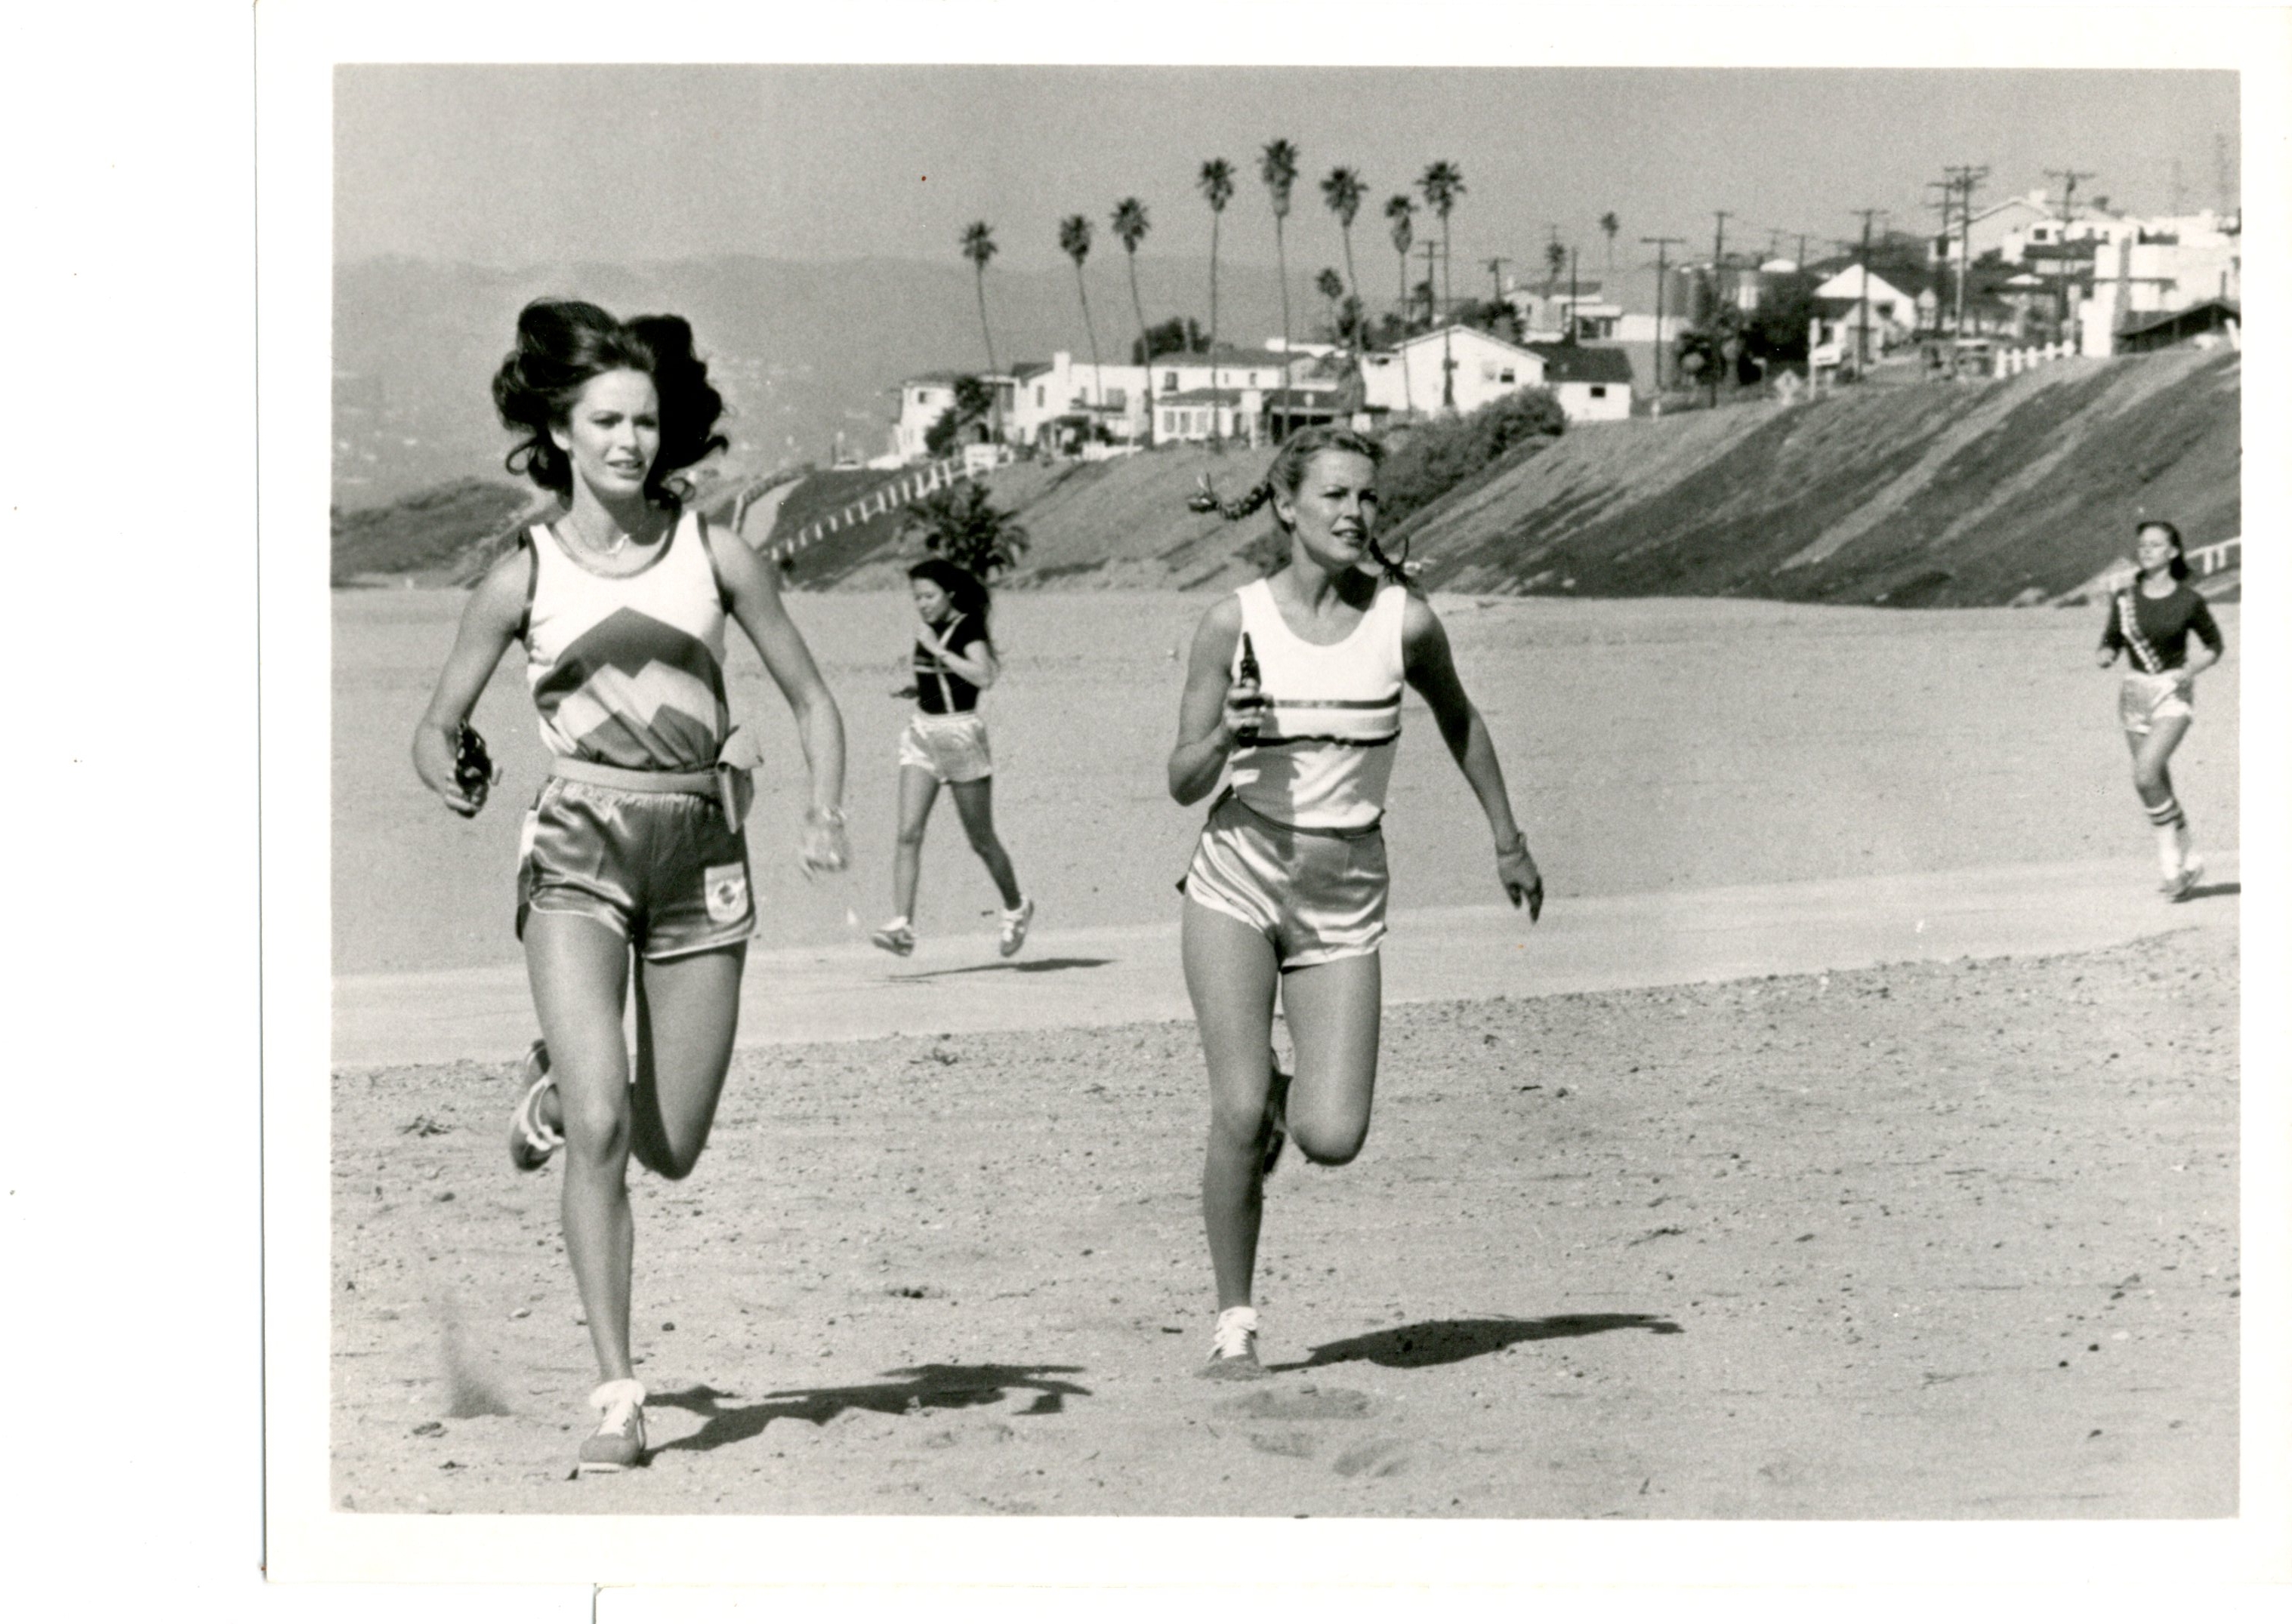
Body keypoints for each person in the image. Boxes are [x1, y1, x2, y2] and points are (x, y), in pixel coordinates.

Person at [412, 299, 850, 1475]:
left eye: (645, 421)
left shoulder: (717, 553)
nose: (628, 442)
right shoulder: (521, 576)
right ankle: (618, 1393)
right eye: (604, 419)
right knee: (607, 1131)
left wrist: (819, 807)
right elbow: (436, 721)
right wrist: (453, 766)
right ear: (556, 429)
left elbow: (811, 697)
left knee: (672, 1143)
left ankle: (557, 1083)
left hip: (701, 854)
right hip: (577, 851)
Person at [1168, 425, 1543, 1379]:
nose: (1354, 513)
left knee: (1330, 1138)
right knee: (1238, 1109)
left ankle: (1282, 1101)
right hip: (1238, 875)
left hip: (1345, 892)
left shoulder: (1403, 622)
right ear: (1286, 505)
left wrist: (1506, 839)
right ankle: (1234, 1324)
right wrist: (1223, 738)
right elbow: (1178, 778)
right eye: (1333, 495)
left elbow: (1459, 718)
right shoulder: (1232, 622)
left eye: (1366, 498)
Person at [869, 556, 1035, 958]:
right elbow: (946, 680)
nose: (922, 605)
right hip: (923, 734)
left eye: (929, 596)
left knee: (980, 839)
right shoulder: (931, 630)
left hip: (961, 736)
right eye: (917, 598)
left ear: (950, 594)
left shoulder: (967, 628)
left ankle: (1017, 907)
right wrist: (918, 688)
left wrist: (935, 649)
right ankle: (902, 926)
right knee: (908, 832)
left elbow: (984, 676)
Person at [2093, 519, 2224, 901]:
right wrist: (2106, 652)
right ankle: (2191, 858)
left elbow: (2214, 646)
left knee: (2146, 773)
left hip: (2172, 692)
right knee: (2157, 782)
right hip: (2134, 694)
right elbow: (2112, 638)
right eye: (2143, 545)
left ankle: (2170, 864)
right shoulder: (2125, 598)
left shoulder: (2188, 600)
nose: (2146, 551)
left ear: (2172, 552)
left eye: (2155, 545)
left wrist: (2190, 670)